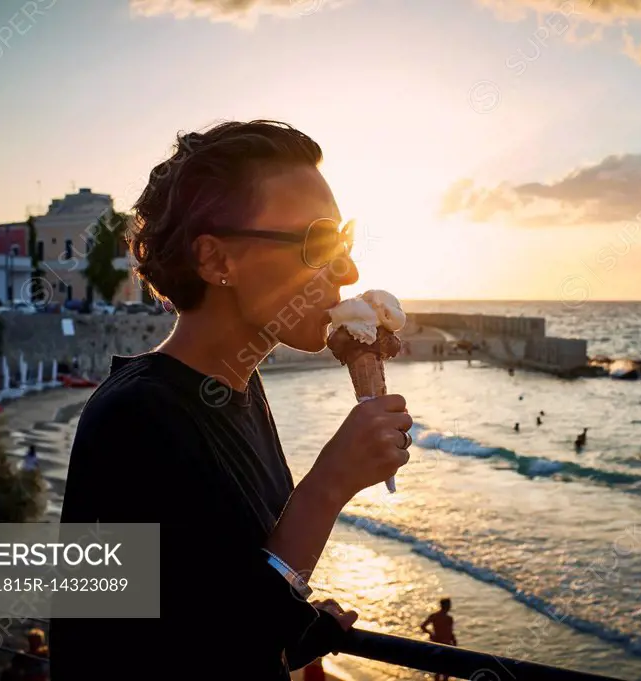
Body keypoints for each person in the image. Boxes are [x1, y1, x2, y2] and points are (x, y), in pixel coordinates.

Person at [50, 121, 412, 681]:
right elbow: (172, 656)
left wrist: (295, 633)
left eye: (345, 240)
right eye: (319, 243)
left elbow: (204, 602)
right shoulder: (136, 418)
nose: (349, 270)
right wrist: (327, 487)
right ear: (218, 261)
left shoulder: (238, 392)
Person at [421, 597, 457, 681]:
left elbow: (423, 626)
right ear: (444, 605)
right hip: (444, 645)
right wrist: (431, 634)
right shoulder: (447, 618)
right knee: (443, 670)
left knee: (440, 670)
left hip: (440, 644)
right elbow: (423, 626)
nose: (450, 606)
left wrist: (431, 634)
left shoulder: (437, 616)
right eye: (448, 604)